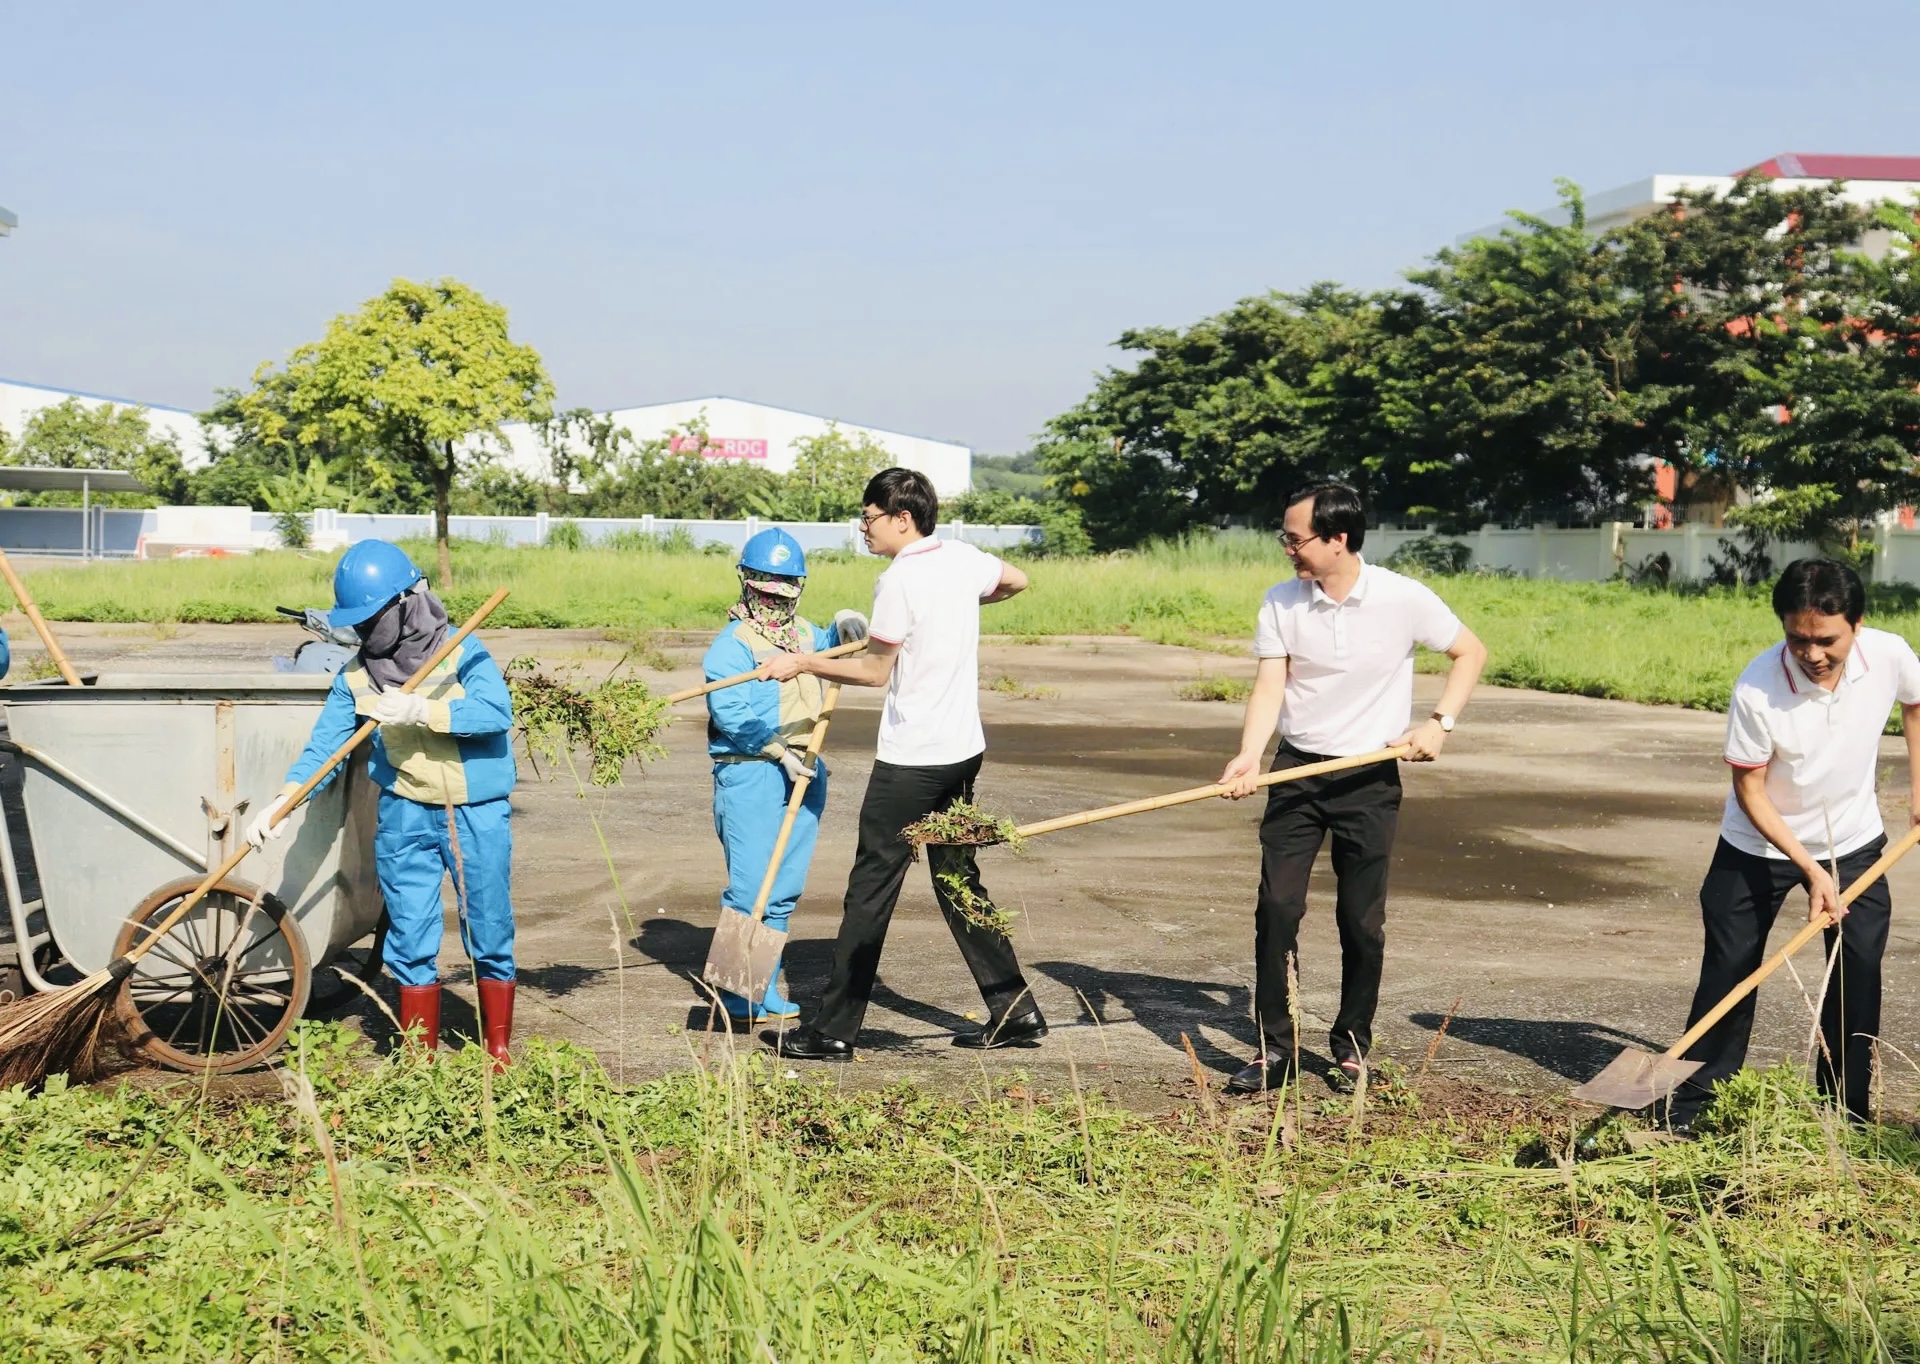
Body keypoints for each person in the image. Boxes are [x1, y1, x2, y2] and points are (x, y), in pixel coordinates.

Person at [755, 467, 1036, 1061]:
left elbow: (875, 671)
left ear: (902, 518)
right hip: (963, 749)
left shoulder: (899, 579)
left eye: (869, 517)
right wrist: (963, 607)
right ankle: (1016, 1011)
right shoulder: (959, 558)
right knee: (956, 875)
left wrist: (803, 663)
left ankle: (832, 1030)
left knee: (871, 888)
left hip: (915, 758)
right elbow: (1017, 579)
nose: (864, 528)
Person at [1218, 483, 1487, 1095]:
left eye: (1296, 538)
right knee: (1276, 909)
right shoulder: (1282, 602)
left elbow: (1469, 652)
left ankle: (1351, 1045)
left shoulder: (1401, 597)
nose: (1287, 549)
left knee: (1361, 920)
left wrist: (1439, 723)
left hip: (1370, 775)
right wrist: (1248, 757)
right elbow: (1269, 688)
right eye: (1284, 537)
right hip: (1296, 773)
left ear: (1338, 540)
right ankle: (1274, 1049)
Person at [1663, 558, 1920, 1133]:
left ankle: (1845, 1111)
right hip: (1757, 844)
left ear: (1857, 624)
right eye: (1797, 638)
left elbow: (1916, 703)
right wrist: (1809, 868)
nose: (1812, 654)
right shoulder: (1758, 688)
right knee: (1729, 970)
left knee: (1857, 972)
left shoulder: (1890, 654)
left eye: (1826, 640)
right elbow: (1750, 790)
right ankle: (1696, 1106)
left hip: (1851, 840)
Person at [246, 540, 520, 1065]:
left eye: (372, 620)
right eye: (358, 624)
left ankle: (498, 1049)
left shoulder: (464, 651)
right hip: (404, 810)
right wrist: (282, 802)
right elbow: (325, 746)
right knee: (409, 930)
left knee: (488, 925)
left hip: (474, 811)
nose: (365, 634)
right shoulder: (355, 675)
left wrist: (423, 710)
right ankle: (420, 1057)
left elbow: (494, 713)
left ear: (405, 602)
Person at [703, 528, 868, 1025]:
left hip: (807, 768)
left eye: (784, 583)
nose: (773, 594)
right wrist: (776, 750)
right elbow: (729, 710)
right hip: (751, 769)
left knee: (783, 888)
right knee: (752, 886)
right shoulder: (730, 645)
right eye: (764, 582)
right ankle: (735, 994)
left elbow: (841, 651)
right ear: (746, 581)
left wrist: (848, 631)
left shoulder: (805, 636)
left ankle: (763, 986)